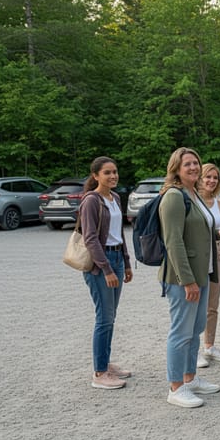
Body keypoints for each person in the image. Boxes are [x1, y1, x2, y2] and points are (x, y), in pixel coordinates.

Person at [159, 147, 220, 408]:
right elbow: (173, 242)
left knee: (195, 329)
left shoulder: (194, 194)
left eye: (196, 163)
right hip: (182, 278)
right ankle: (175, 387)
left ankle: (189, 377)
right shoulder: (174, 197)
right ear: (176, 168)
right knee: (181, 332)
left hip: (203, 273)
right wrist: (187, 280)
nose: (194, 168)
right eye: (188, 164)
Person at [80, 156, 134, 390]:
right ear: (95, 176)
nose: (113, 176)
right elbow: (90, 238)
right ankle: (99, 373)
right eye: (107, 173)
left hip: (116, 258)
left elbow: (119, 234)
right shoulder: (91, 200)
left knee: (110, 317)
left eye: (115, 172)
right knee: (104, 318)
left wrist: (127, 263)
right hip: (101, 263)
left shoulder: (114, 198)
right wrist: (106, 269)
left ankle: (105, 363)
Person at [196, 163, 220, 368]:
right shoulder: (193, 201)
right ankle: (195, 351)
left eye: (215, 178)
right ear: (200, 178)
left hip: (216, 255)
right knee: (196, 305)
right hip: (200, 257)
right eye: (207, 177)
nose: (211, 181)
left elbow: (217, 234)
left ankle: (209, 345)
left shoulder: (218, 203)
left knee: (212, 306)